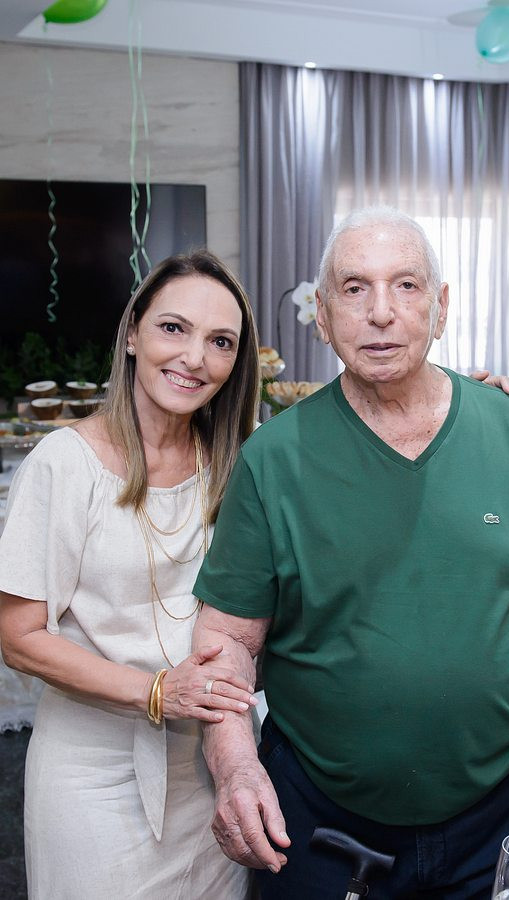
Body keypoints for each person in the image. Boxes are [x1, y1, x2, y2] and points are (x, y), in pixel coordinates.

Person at [191, 208, 509, 900]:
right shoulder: (272, 459)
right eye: (354, 289)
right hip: (322, 819)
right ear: (323, 317)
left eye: (405, 285)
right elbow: (226, 641)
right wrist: (235, 767)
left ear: (440, 307)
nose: (380, 312)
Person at [0, 250, 262, 900]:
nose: (195, 358)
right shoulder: (65, 463)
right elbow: (18, 637)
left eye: (220, 342)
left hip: (210, 767)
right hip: (93, 776)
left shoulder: (238, 461)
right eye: (174, 328)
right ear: (132, 335)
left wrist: (472, 398)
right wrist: (156, 691)